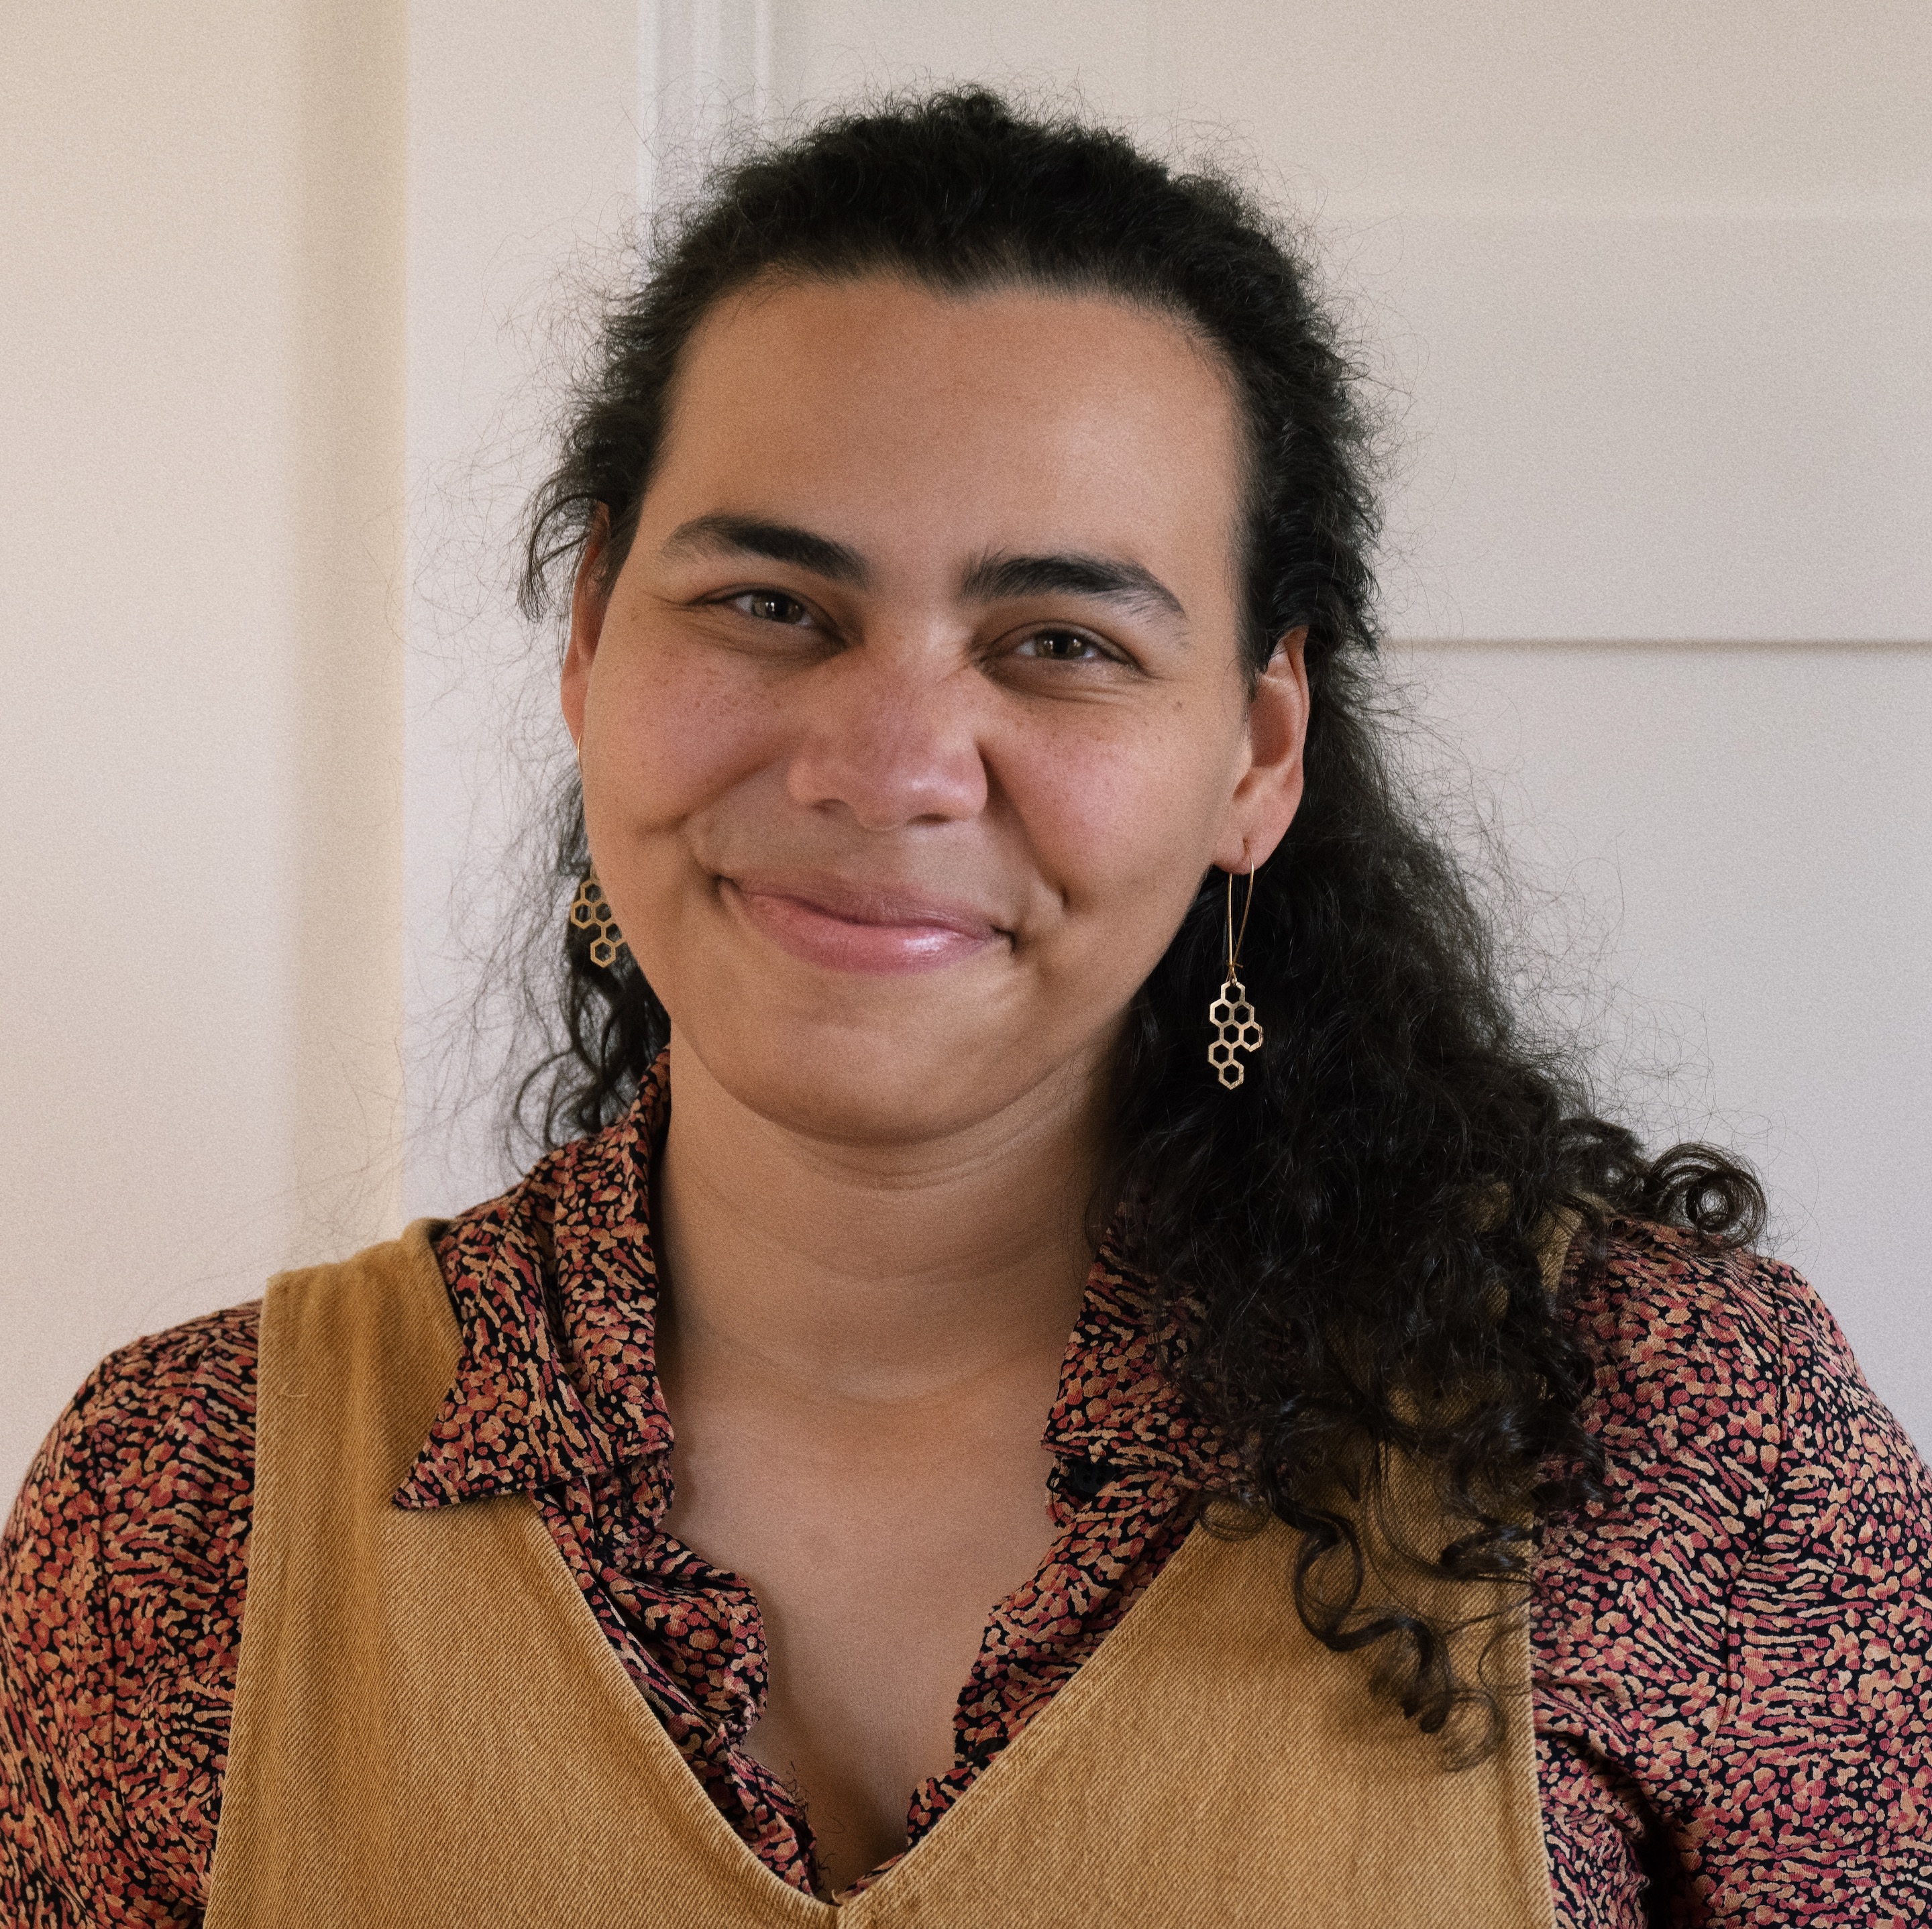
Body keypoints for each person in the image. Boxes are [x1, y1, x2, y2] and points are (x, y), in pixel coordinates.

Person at [3, 88, 1927, 1928]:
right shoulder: (181, 1503)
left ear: (1259, 750)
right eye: (772, 604)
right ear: (589, 636)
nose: (888, 766)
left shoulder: (1674, 1438)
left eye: (1062, 641)